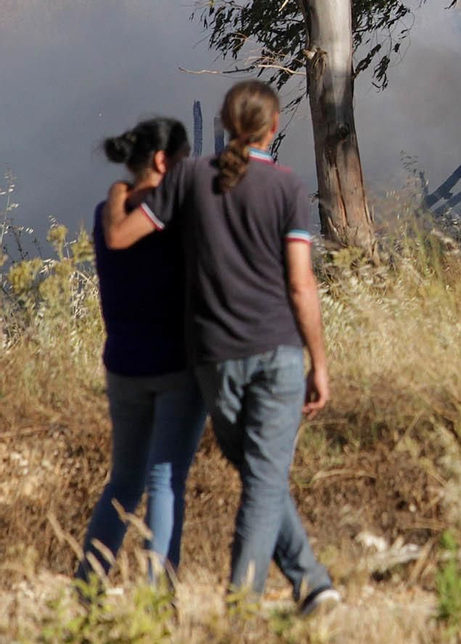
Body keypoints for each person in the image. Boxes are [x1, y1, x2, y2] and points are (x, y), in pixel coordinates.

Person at [102, 81, 340, 616]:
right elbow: (301, 285)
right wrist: (319, 363)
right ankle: (242, 606)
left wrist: (119, 193)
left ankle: (311, 580)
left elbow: (122, 236)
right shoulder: (286, 187)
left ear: (225, 123)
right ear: (273, 126)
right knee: (262, 476)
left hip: (212, 357)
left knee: (258, 470)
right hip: (276, 352)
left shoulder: (188, 177)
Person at [77, 118, 209, 591]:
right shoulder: (177, 214)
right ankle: (158, 598)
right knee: (166, 481)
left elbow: (120, 211)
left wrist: (118, 190)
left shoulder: (105, 212)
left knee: (124, 481)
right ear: (162, 161)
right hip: (176, 365)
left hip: (122, 365)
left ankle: (87, 586)